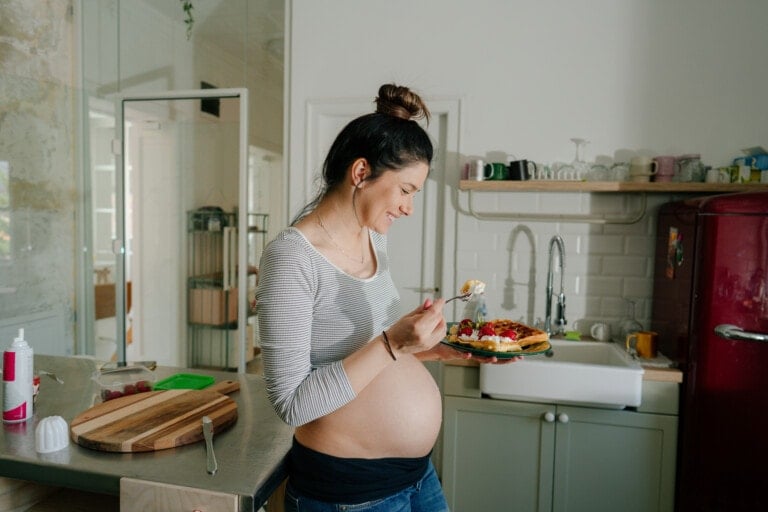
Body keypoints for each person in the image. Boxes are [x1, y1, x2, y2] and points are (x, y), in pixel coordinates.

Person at [257, 83, 514, 511]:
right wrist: (394, 341)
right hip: (350, 492)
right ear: (361, 174)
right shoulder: (291, 258)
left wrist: (446, 351)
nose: (409, 208)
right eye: (406, 190)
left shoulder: (374, 239)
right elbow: (293, 403)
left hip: (416, 475)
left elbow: (373, 357)